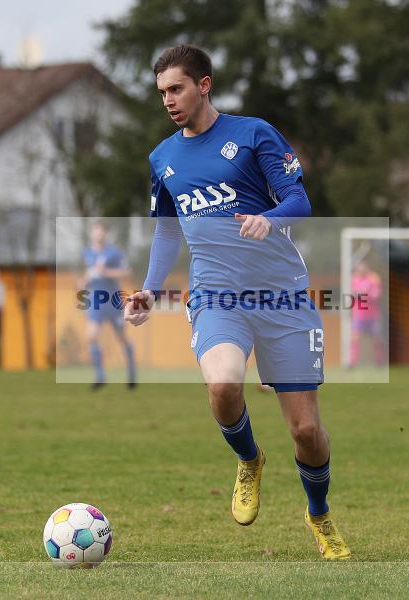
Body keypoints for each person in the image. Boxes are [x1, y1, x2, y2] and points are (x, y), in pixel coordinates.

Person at [124, 44, 349, 560]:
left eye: (176, 88)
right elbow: (166, 234)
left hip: (282, 296)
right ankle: (249, 460)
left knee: (307, 431)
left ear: (204, 85)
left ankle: (319, 513)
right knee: (224, 385)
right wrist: (149, 290)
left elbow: (300, 199)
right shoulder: (163, 158)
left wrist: (271, 217)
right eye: (161, 92)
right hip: (217, 296)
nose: (168, 100)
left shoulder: (252, 134)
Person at [82, 221, 136, 389]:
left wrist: (107, 272)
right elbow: (90, 272)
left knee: (122, 338)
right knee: (91, 336)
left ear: (105, 234)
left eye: (101, 232)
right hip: (96, 300)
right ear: (92, 233)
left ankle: (132, 373)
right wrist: (83, 281)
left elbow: (127, 273)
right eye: (96, 231)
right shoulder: (87, 252)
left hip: (112, 300)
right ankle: (100, 376)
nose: (98, 234)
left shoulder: (114, 253)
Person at [349, 260, 384, 368]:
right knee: (355, 338)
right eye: (360, 267)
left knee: (377, 338)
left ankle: (379, 361)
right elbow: (353, 294)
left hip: (373, 315)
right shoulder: (354, 278)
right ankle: (352, 362)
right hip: (359, 314)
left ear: (367, 267)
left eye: (363, 267)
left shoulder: (374, 278)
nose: (361, 269)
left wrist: (366, 294)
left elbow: (376, 295)